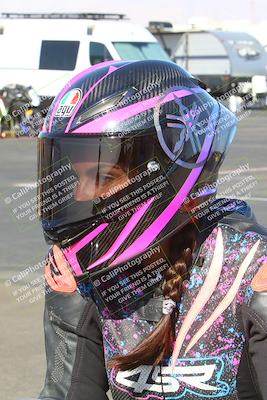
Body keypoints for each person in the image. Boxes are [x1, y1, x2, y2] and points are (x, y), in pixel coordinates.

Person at [37, 60, 267, 400]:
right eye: (76, 176)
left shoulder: (249, 273)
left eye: (103, 177)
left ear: (168, 175)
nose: (80, 195)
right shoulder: (86, 277)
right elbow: (66, 392)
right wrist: (70, 300)